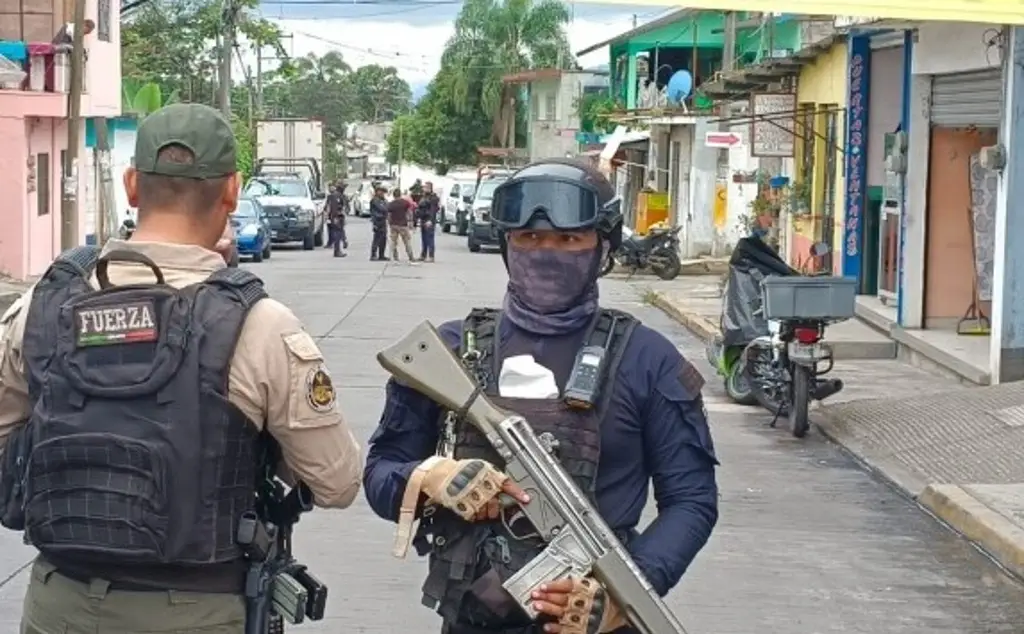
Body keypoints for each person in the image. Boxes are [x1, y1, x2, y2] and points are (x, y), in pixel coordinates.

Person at [0, 103, 363, 634]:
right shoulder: (258, 325)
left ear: (131, 185)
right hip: (196, 611)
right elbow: (337, 482)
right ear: (233, 190)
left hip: (59, 603)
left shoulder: (44, 306)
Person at [363, 158, 718, 634]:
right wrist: (430, 477)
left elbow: (692, 500)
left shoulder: (647, 360)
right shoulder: (449, 353)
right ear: (507, 244)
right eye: (528, 238)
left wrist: (620, 598)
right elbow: (381, 474)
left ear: (602, 247)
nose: (546, 252)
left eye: (569, 239)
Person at [387, 187, 416, 263]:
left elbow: (389, 215)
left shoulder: (391, 204)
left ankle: (395, 257)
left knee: (393, 242)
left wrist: (390, 223)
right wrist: (411, 221)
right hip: (403, 224)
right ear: (400, 194)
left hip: (394, 225)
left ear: (394, 195)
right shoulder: (405, 202)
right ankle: (411, 257)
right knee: (407, 241)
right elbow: (409, 212)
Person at [415, 181, 440, 262]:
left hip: (429, 220)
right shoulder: (424, 197)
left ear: (430, 188)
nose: (424, 188)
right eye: (424, 187)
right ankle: (423, 255)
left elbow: (433, 210)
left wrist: (430, 220)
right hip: (423, 219)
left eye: (426, 187)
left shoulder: (433, 198)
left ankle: (431, 256)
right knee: (424, 239)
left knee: (429, 238)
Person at [326, 181, 349, 257]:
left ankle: (338, 250)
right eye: (343, 187)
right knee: (337, 234)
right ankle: (337, 251)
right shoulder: (336, 196)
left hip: (340, 217)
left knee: (339, 233)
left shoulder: (340, 195)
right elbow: (334, 208)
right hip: (336, 217)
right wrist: (335, 217)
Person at [369, 182, 390, 261]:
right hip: (377, 221)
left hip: (383, 221)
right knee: (377, 239)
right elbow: (383, 209)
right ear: (377, 192)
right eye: (381, 192)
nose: (382, 193)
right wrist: (386, 206)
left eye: (383, 192)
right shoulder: (375, 200)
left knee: (383, 239)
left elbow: (388, 207)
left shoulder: (383, 200)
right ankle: (373, 255)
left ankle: (381, 255)